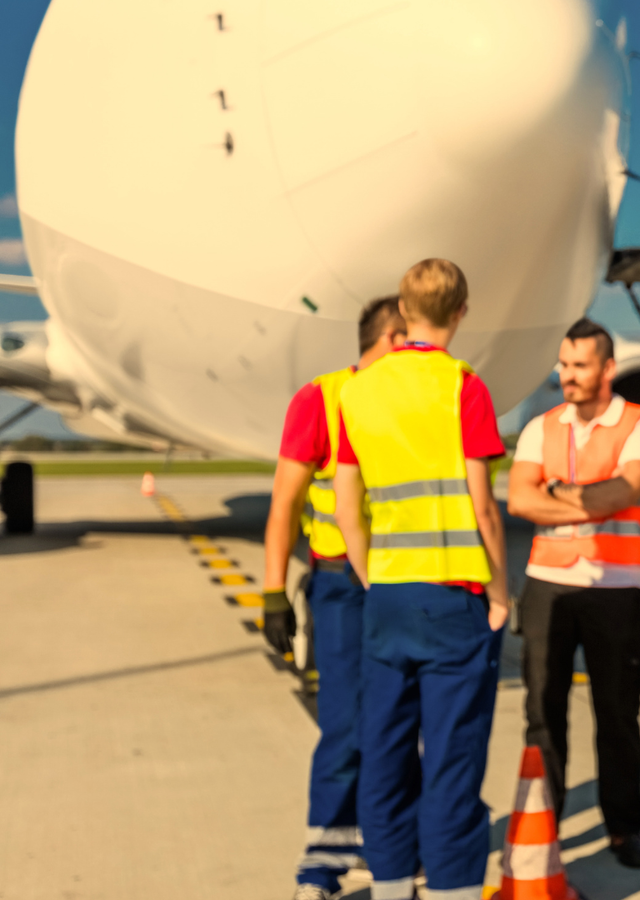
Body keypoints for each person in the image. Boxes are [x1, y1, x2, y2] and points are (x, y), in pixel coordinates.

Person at [333, 258, 510, 900]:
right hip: (453, 599)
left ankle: (389, 885)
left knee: (383, 752)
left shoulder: (357, 391)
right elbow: (483, 507)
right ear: (461, 312)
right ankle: (452, 889)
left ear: (402, 313)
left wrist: (373, 576)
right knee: (452, 761)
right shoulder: (463, 386)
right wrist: (500, 591)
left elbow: (346, 508)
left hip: (386, 596)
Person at [261, 295, 406, 900]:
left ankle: (386, 847)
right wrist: (273, 591)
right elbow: (286, 502)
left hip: (404, 582)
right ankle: (320, 867)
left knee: (397, 725)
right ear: (393, 338)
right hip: (342, 585)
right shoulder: (321, 399)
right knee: (344, 726)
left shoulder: (413, 396)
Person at [506, 318, 640, 869]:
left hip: (616, 587)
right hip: (547, 585)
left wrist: (558, 492)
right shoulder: (541, 426)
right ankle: (544, 827)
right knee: (542, 713)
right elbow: (519, 501)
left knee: (617, 714)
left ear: (608, 368)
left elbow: (625, 492)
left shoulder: (639, 424)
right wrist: (588, 498)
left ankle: (623, 828)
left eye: (579, 366)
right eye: (564, 364)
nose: (566, 375)